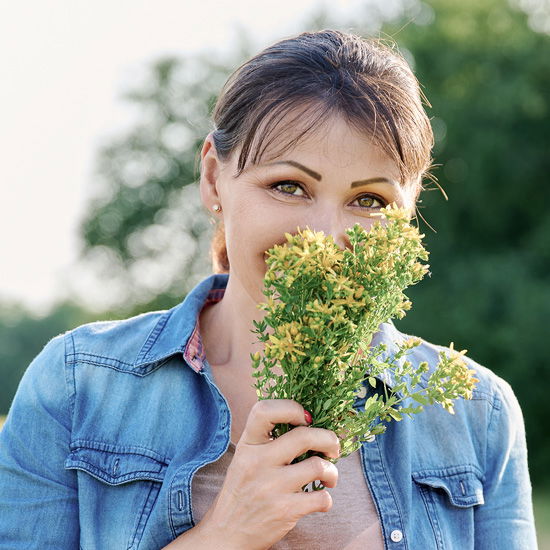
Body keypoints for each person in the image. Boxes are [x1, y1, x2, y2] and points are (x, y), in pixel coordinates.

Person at [0, 29, 537, 549]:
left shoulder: (476, 414)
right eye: (288, 186)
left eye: (369, 200)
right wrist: (225, 535)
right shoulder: (75, 387)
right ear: (214, 177)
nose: (326, 238)